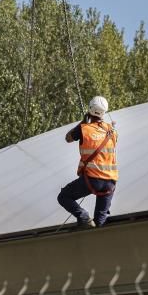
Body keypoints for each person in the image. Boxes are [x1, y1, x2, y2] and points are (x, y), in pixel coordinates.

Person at [57, 95, 118, 228]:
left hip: (92, 179)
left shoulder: (84, 128)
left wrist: (83, 121)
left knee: (63, 197)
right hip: (110, 183)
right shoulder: (112, 131)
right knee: (100, 222)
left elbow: (68, 138)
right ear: (104, 112)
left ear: (90, 109)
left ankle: (83, 217)